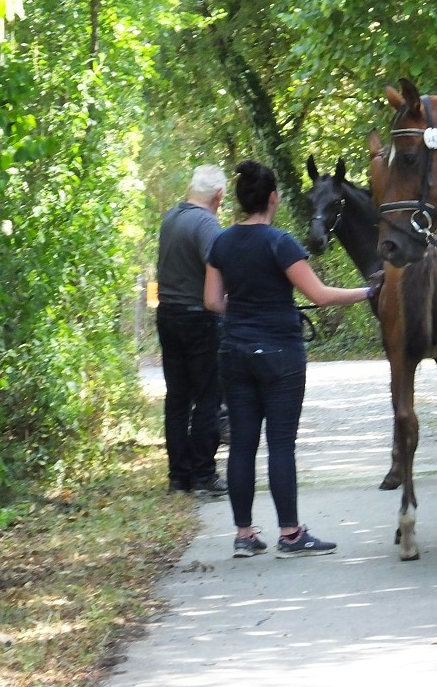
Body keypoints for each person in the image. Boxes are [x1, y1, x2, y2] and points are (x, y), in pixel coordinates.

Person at [204, 159, 382, 559]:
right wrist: (368, 292)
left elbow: (212, 301)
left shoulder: (221, 243)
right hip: (280, 354)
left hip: (234, 351)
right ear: (272, 198)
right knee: (281, 444)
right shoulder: (280, 243)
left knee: (242, 446)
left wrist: (247, 306)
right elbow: (319, 295)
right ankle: (290, 533)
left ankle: (245, 535)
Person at [156, 164, 228, 497]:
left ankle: (177, 477)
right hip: (199, 319)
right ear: (219, 195)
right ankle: (203, 475)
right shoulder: (207, 225)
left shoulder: (170, 218)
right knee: (207, 398)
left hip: (168, 316)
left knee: (177, 399)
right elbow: (219, 271)